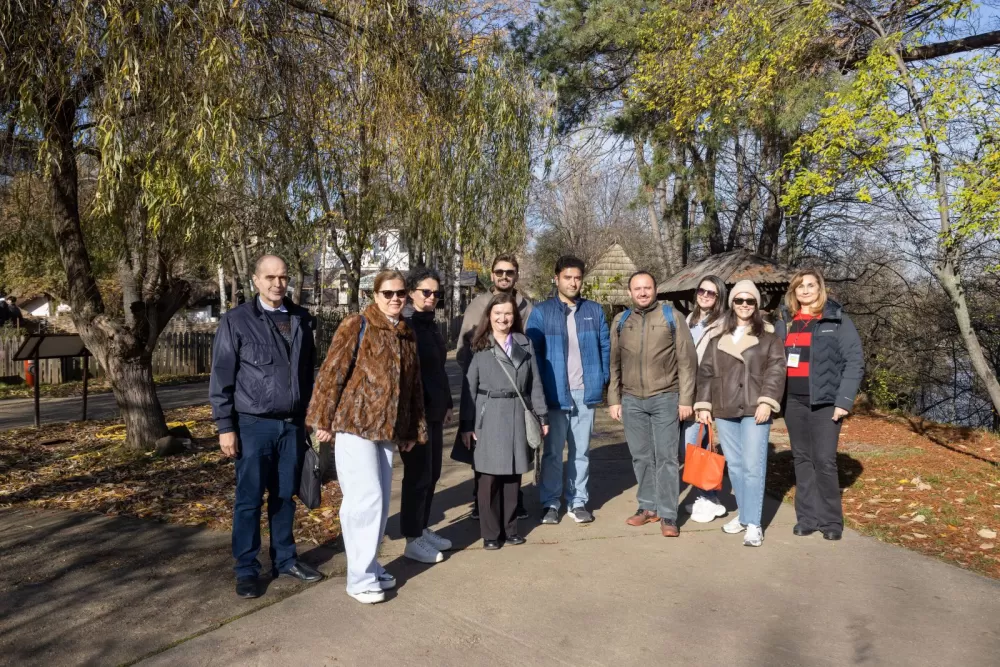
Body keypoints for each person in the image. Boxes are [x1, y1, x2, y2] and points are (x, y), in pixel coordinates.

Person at [307, 270, 427, 604]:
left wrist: (412, 429)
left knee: (380, 500)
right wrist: (323, 419)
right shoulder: (356, 324)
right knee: (365, 499)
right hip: (353, 424)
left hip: (387, 430)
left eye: (400, 293)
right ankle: (359, 579)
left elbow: (413, 386)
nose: (395, 299)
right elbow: (332, 372)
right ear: (375, 295)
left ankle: (370, 565)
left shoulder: (406, 332)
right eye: (388, 293)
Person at [210, 254, 324, 599]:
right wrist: (225, 426)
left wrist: (312, 415)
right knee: (249, 500)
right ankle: (246, 569)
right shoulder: (237, 321)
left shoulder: (301, 319)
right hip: (253, 425)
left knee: (284, 496)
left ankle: (285, 560)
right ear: (256, 281)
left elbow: (307, 373)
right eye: (270, 277)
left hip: (292, 426)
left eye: (283, 277)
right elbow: (222, 375)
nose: (278, 283)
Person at [773, 269, 863, 541]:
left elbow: (854, 361)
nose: (805, 290)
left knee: (824, 460)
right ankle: (807, 518)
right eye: (800, 286)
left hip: (825, 402)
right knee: (802, 459)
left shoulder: (836, 319)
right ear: (793, 291)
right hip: (794, 401)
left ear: (820, 289)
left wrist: (843, 401)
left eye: (810, 285)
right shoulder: (786, 321)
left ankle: (830, 521)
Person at [694, 280, 786, 547]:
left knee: (753, 466)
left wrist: (767, 401)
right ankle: (744, 516)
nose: (744, 305)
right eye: (739, 300)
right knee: (734, 466)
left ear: (756, 305)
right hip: (725, 408)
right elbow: (706, 373)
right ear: (731, 303)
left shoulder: (769, 337)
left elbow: (776, 369)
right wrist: (704, 405)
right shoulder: (717, 338)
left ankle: (754, 523)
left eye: (750, 300)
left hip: (755, 408)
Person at [608, 271, 697, 537]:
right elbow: (614, 364)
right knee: (641, 456)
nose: (643, 292)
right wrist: (614, 399)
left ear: (655, 289)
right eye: (637, 288)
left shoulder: (672, 317)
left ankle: (668, 514)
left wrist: (686, 399)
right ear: (630, 292)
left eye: (647, 287)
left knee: (667, 458)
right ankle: (648, 507)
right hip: (632, 400)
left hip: (665, 397)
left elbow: (687, 361)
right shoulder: (621, 321)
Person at [460, 292, 548, 549]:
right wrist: (466, 425)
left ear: (515, 316)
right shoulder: (479, 345)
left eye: (508, 313)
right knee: (488, 478)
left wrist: (541, 415)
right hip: (487, 415)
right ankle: (490, 534)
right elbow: (469, 388)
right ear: (489, 316)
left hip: (517, 413)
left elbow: (535, 384)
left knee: (512, 476)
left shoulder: (524, 343)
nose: (503, 318)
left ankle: (510, 530)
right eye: (497, 313)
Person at [526, 255, 610, 525]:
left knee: (581, 451)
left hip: (585, 394)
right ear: (556, 279)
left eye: (577, 278)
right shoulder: (541, 312)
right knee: (552, 453)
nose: (573, 283)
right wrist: (538, 392)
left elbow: (605, 347)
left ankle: (578, 501)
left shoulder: (594, 311)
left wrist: (601, 379)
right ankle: (550, 502)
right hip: (554, 394)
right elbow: (532, 354)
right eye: (567, 277)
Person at [454, 253, 533, 520]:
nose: (504, 276)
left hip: (515, 390)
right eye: (499, 272)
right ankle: (482, 501)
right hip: (484, 390)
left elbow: (530, 347)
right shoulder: (478, 304)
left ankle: (514, 500)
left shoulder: (526, 307)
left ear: (516, 275)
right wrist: (476, 381)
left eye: (509, 272)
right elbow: (464, 348)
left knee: (515, 446)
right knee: (482, 447)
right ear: (492, 274)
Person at [399, 268, 454, 564]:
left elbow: (439, 370)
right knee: (417, 476)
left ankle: (421, 528)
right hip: (415, 416)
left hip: (434, 411)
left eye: (436, 293)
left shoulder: (431, 325)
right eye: (426, 292)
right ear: (411, 293)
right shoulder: (406, 327)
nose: (432, 297)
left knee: (432, 474)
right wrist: (408, 423)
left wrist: (447, 404)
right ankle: (412, 538)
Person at [682, 275, 729, 523]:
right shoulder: (690, 319)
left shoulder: (723, 324)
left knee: (694, 448)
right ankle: (707, 497)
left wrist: (706, 402)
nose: (705, 296)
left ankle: (709, 498)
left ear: (719, 297)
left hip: (702, 394)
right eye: (702, 291)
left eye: (711, 293)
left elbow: (718, 366)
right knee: (693, 449)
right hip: (685, 391)